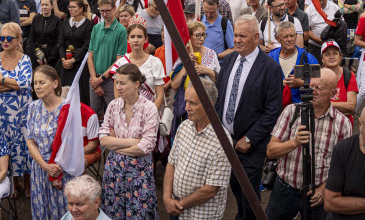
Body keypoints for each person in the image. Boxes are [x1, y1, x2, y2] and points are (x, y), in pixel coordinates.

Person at [215, 14, 283, 220]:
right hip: (226, 140)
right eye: (235, 35)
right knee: (233, 186)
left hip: (250, 146)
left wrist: (250, 138)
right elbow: (220, 98)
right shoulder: (228, 61)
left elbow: (272, 111)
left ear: (256, 38)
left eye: (242, 36)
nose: (236, 40)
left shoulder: (270, 68)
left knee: (249, 194)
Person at [264, 69, 352, 220]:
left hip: (316, 196)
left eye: (319, 88)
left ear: (333, 93)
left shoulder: (342, 123)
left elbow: (344, 166)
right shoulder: (292, 112)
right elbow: (271, 152)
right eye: (312, 86)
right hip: (285, 190)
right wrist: (294, 142)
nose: (313, 91)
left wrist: (325, 189)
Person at [26, 65, 99, 220]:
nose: (37, 87)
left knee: (63, 212)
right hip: (40, 170)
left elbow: (72, 145)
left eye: (41, 82)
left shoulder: (68, 109)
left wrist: (55, 171)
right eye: (35, 83)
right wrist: (45, 166)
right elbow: (30, 141)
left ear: (54, 83)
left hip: (62, 171)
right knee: (42, 211)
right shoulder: (32, 107)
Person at [163, 77, 232, 220]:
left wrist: (178, 205)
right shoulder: (184, 127)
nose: (186, 107)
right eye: (186, 101)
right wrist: (166, 197)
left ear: (209, 105)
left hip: (200, 215)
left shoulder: (222, 142)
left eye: (192, 103)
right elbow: (171, 163)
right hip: (175, 207)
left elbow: (211, 190)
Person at [98, 63, 159, 219]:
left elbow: (147, 146)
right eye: (117, 82)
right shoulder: (113, 105)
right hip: (113, 174)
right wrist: (133, 141)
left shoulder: (149, 108)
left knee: (139, 214)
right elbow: (103, 140)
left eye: (123, 83)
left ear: (136, 84)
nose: (118, 87)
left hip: (139, 175)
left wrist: (115, 147)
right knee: (114, 213)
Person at [0, 22, 32, 179]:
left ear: (18, 39)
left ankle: (26, 181)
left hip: (23, 117)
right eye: (2, 38)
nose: (5, 41)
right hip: (2, 117)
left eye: (9, 38)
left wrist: (2, 79)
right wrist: (14, 85)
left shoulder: (25, 59)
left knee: (25, 148)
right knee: (5, 149)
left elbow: (26, 83)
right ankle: (12, 184)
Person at [107, 24, 165, 112]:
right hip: (126, 113)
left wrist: (150, 114)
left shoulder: (155, 62)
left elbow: (160, 95)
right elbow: (117, 95)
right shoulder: (121, 63)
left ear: (145, 39)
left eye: (140, 37)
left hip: (149, 112)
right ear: (127, 39)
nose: (136, 40)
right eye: (132, 36)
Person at [87, 0, 127, 115]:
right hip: (95, 78)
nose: (104, 14)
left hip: (111, 80)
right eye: (102, 11)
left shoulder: (121, 30)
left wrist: (101, 79)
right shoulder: (96, 28)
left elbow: (119, 60)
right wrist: (94, 80)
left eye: (107, 11)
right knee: (94, 115)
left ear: (114, 8)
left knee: (113, 114)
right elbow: (90, 57)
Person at [269, 21, 320, 106]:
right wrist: (278, 83)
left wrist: (302, 83)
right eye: (285, 37)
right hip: (276, 108)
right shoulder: (271, 58)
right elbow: (263, 82)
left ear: (296, 36)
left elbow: (320, 84)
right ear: (277, 38)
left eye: (292, 36)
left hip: (301, 108)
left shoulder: (308, 58)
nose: (289, 39)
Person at [57, 0, 93, 102]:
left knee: (80, 92)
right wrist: (64, 59)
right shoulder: (65, 22)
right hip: (65, 63)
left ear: (81, 9)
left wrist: (73, 60)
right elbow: (61, 43)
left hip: (80, 62)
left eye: (73, 7)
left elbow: (87, 45)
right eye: (69, 7)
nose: (71, 10)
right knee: (63, 91)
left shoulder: (88, 24)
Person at [321, 41, 358, 118]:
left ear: (340, 57)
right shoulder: (318, 76)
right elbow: (315, 105)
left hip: (344, 125)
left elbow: (351, 106)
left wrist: (325, 104)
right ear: (322, 59)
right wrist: (343, 107)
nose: (332, 57)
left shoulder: (348, 75)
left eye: (335, 53)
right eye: (327, 54)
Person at [26, 0, 62, 67]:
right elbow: (32, 39)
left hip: (51, 54)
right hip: (37, 52)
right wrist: (38, 55)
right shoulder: (36, 18)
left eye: (46, 5)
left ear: (51, 6)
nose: (44, 7)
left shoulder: (56, 20)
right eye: (42, 5)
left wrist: (49, 59)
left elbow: (58, 41)